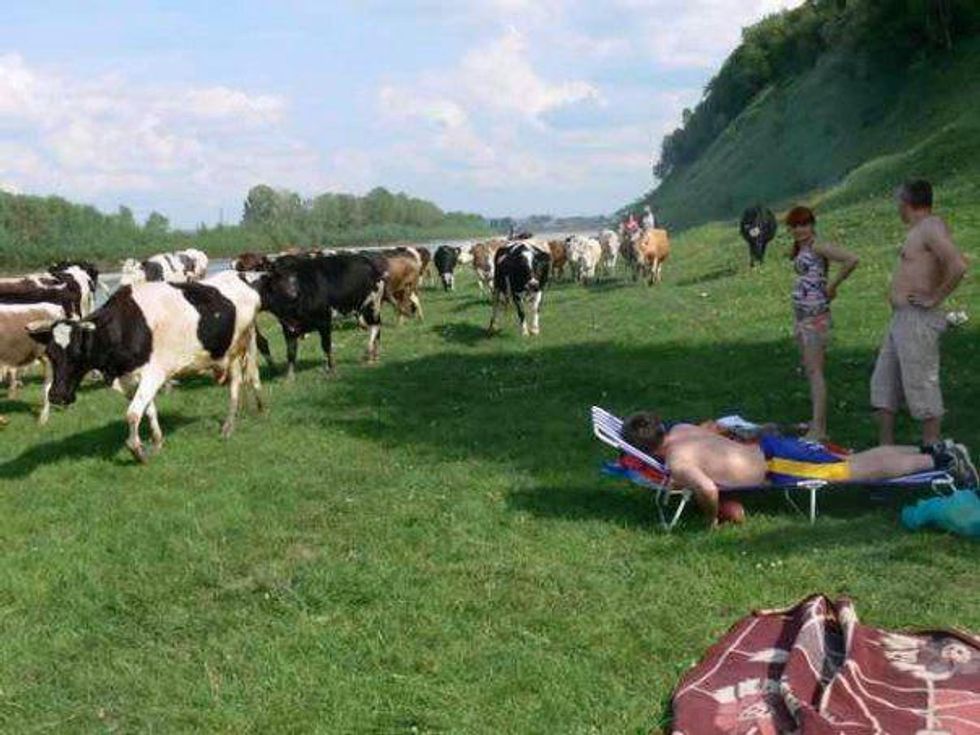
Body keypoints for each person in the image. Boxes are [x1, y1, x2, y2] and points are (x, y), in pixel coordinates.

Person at [622, 411, 978, 528]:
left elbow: (709, 491)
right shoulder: (682, 430)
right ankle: (931, 450)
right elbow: (714, 432)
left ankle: (940, 463)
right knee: (855, 460)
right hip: (769, 449)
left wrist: (710, 520)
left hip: (778, 465)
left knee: (858, 469)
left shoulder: (678, 461)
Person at [871, 180, 969, 446]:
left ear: (907, 202)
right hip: (901, 319)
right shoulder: (919, 230)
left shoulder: (930, 227)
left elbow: (957, 264)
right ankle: (885, 450)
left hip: (918, 319)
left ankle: (933, 449)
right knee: (883, 385)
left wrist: (934, 297)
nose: (897, 208)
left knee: (922, 385)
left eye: (898, 202)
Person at [785, 206, 859, 442]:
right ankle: (816, 423)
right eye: (795, 226)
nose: (800, 230)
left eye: (804, 224)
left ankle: (819, 429)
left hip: (815, 317)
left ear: (812, 226)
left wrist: (833, 286)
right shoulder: (803, 248)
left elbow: (851, 259)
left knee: (816, 372)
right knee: (810, 370)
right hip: (804, 317)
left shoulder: (818, 246)